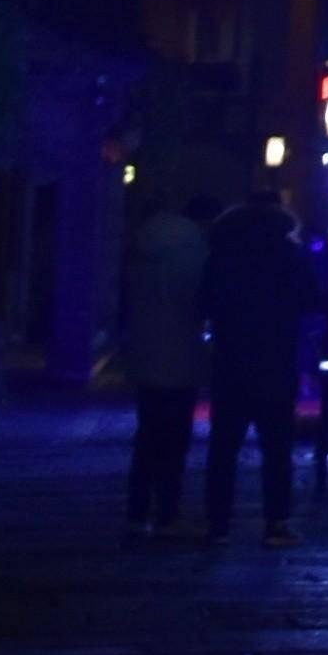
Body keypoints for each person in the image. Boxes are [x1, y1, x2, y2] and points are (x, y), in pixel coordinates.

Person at [201, 178, 314, 543]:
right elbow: (312, 300)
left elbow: (204, 300)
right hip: (276, 358)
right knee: (277, 448)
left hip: (231, 358)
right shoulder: (291, 255)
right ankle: (276, 521)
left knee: (223, 449)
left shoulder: (223, 253)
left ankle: (218, 523)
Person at [122, 193, 213, 536]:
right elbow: (199, 304)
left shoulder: (146, 247)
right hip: (181, 355)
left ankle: (137, 506)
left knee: (147, 435)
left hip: (146, 353)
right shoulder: (195, 255)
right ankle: (167, 509)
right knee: (175, 438)